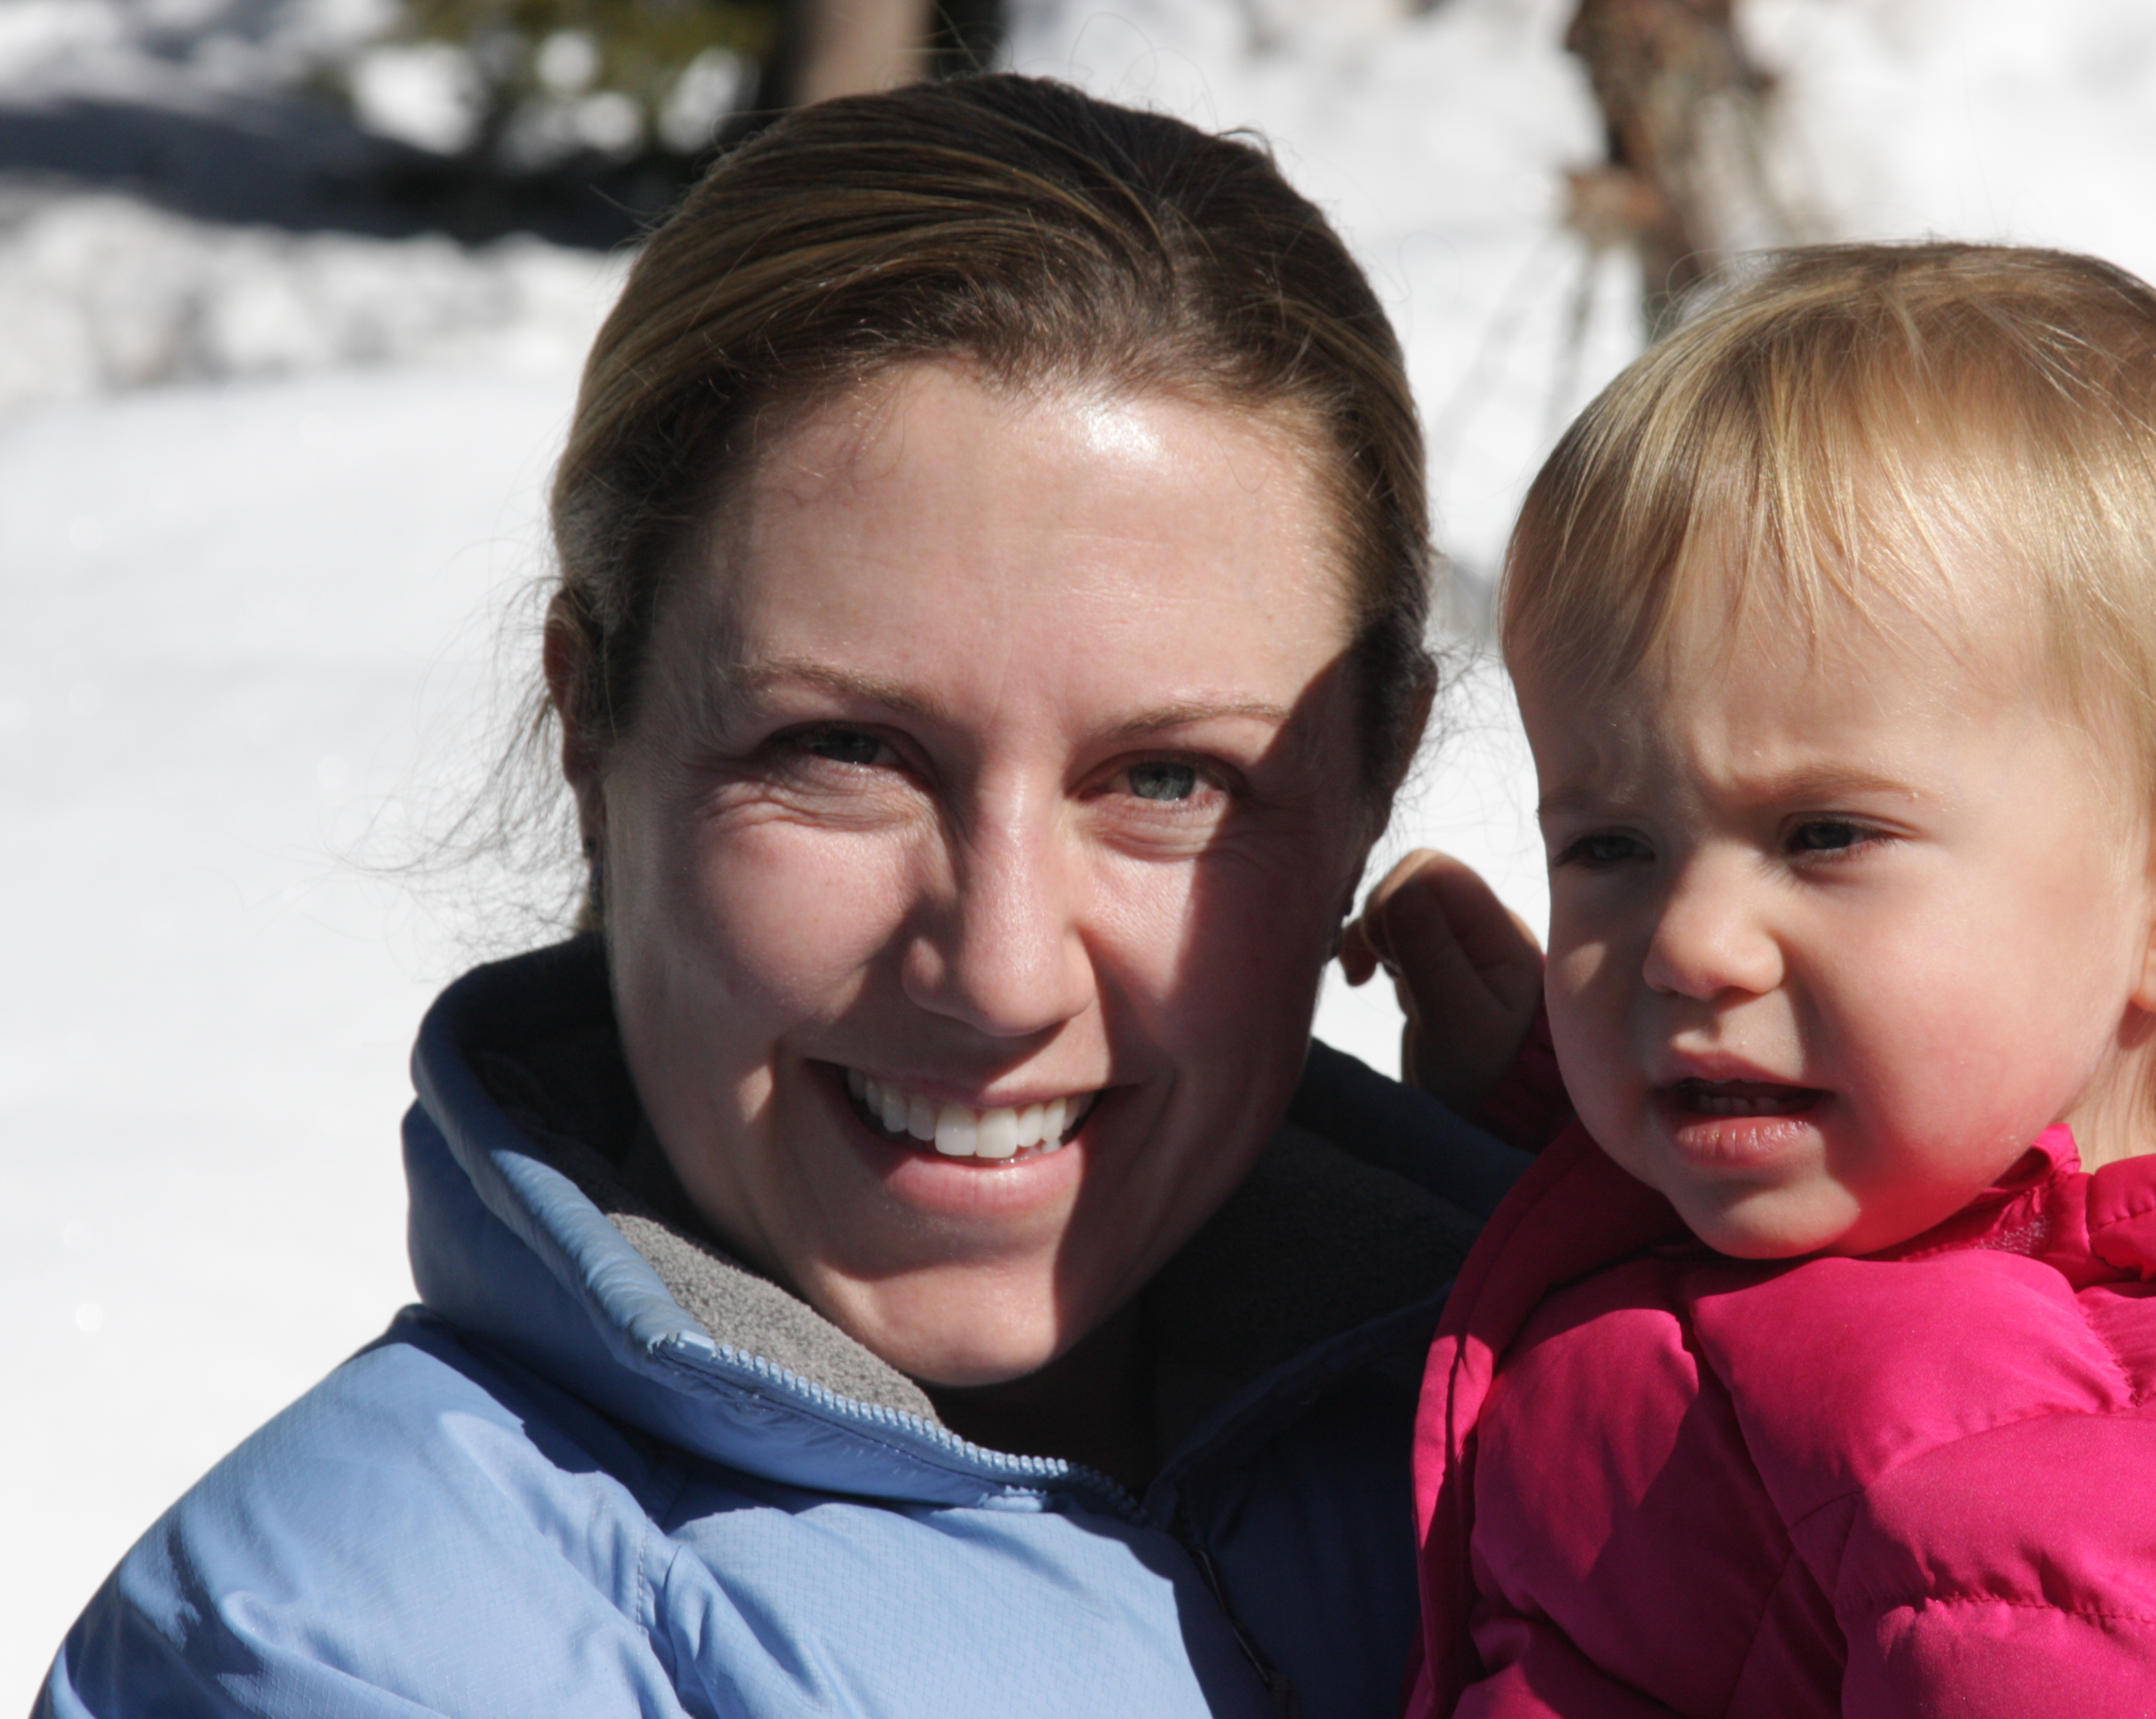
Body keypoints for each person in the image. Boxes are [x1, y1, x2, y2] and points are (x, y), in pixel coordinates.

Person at [39, 75, 1533, 1719]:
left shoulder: (1610, 1463)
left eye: (1169, 780)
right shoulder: (334, 1655)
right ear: (592, 728)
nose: (1002, 972)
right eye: (846, 751)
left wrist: (1667, 1284)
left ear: (1373, 787)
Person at [1348, 243, 2156, 1715]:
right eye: (1613, 846)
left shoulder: (2117, 1529)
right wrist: (1539, 1104)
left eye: (1825, 837)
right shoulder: (1950, 1222)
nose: (1688, 945)